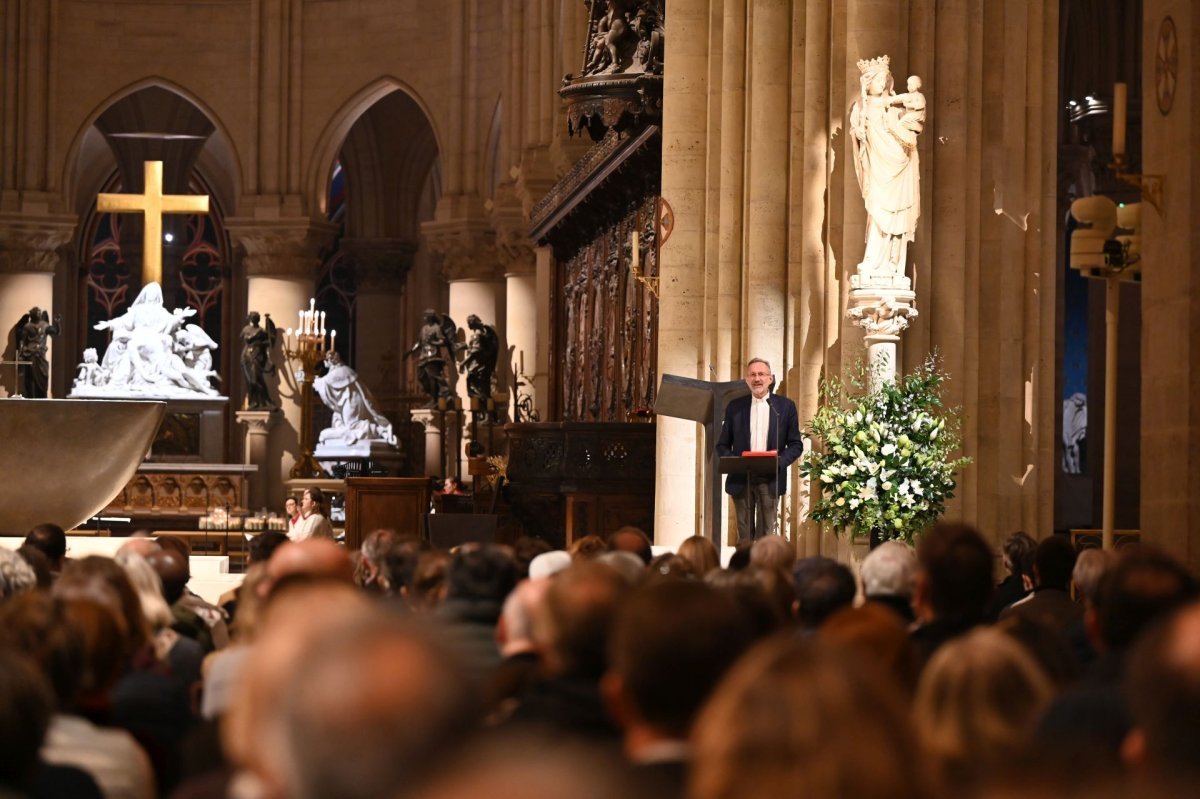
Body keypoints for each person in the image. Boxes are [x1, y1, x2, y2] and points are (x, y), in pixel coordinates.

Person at [849, 55, 922, 279]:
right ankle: (873, 260)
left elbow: (911, 130)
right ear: (867, 83)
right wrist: (859, 134)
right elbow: (858, 135)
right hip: (878, 168)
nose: (881, 82)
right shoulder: (860, 108)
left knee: (898, 214)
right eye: (877, 79)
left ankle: (893, 262)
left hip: (898, 164)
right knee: (877, 212)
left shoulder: (894, 107)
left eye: (884, 78)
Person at [715, 358, 804, 540]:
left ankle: (765, 568)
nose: (757, 379)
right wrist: (735, 462)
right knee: (745, 536)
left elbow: (796, 444)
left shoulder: (784, 407)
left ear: (770, 379)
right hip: (742, 478)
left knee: (767, 536)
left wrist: (780, 462)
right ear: (747, 380)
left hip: (770, 477)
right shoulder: (735, 407)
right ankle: (746, 568)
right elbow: (722, 445)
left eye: (761, 374)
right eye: (753, 375)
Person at [314, 350, 397, 446]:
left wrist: (311, 380)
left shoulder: (341, 370)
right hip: (348, 399)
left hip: (352, 399)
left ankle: (379, 430)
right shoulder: (337, 371)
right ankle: (376, 431)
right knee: (340, 424)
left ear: (330, 361)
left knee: (352, 425)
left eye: (326, 360)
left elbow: (327, 381)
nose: (324, 363)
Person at [407, 309, 457, 405]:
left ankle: (439, 396)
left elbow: (443, 341)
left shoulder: (436, 328)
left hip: (433, 356)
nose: (424, 318)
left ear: (431, 317)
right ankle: (432, 394)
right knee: (421, 376)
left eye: (426, 316)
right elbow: (419, 342)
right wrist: (410, 352)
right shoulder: (424, 328)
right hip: (423, 356)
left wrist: (433, 342)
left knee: (433, 377)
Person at [15, 306, 61, 398]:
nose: (38, 314)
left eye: (39, 313)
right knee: (31, 377)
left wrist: (58, 323)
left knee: (44, 375)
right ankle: (31, 397)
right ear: (32, 315)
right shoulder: (27, 326)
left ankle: (42, 397)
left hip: (41, 355)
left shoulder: (44, 325)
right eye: (36, 313)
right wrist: (20, 353)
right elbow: (22, 341)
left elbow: (56, 332)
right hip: (30, 354)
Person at [240, 311, 276, 410]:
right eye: (253, 317)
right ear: (251, 319)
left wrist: (270, 361)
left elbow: (267, 348)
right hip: (246, 357)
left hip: (257, 357)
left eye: (257, 317)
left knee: (256, 379)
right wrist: (258, 336)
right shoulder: (247, 329)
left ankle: (265, 402)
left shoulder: (263, 331)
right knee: (250, 382)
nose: (255, 319)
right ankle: (253, 402)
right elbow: (247, 339)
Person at [459, 314, 499, 402]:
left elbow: (475, 351)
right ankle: (484, 409)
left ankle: (483, 409)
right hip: (481, 367)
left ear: (473, 323)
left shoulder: (477, 335)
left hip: (477, 367)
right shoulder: (483, 333)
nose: (468, 325)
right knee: (481, 390)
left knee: (476, 391)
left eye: (469, 323)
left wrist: (463, 362)